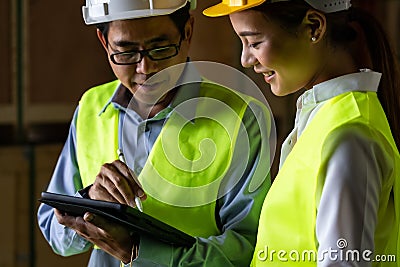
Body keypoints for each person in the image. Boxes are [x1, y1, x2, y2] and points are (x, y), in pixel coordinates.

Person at [37, 0, 274, 266]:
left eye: (160, 48)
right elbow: (54, 233)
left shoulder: (238, 118)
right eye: (125, 52)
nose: (145, 69)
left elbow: (247, 248)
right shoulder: (91, 108)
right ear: (104, 41)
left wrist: (140, 252)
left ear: (187, 33)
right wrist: (89, 202)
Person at [203, 0, 400, 266]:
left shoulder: (349, 137)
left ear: (314, 28)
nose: (246, 60)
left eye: (254, 42)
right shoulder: (322, 118)